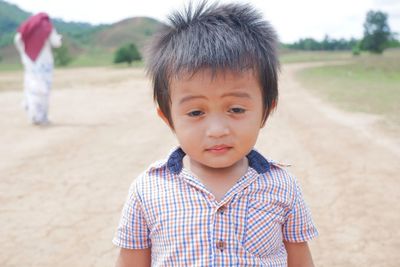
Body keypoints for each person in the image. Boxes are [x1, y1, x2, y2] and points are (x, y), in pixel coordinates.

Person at [113, 2, 318, 266]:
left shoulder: (283, 187)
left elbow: (300, 261)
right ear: (168, 118)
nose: (217, 130)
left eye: (235, 109)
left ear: (266, 111)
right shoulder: (147, 190)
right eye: (196, 113)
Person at [14, 12, 62, 125]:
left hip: (29, 64)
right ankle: (41, 117)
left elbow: (17, 40)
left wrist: (24, 54)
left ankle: (32, 113)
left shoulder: (26, 27)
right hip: (44, 65)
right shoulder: (47, 27)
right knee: (43, 91)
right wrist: (59, 39)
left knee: (31, 88)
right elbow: (56, 43)